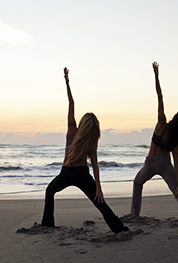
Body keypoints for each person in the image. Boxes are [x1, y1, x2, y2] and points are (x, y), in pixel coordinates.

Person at [41, 67, 128, 233]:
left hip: (66, 173)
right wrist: (99, 189)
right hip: (82, 174)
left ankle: (47, 225)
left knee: (50, 191)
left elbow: (71, 103)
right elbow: (95, 166)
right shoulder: (91, 141)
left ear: (83, 122)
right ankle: (119, 228)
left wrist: (67, 81)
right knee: (99, 201)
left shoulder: (72, 130)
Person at [130, 62, 178, 226]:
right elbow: (176, 163)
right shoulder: (175, 138)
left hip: (149, 163)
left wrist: (156, 76)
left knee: (137, 183)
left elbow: (160, 97)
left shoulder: (161, 123)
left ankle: (134, 215)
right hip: (164, 165)